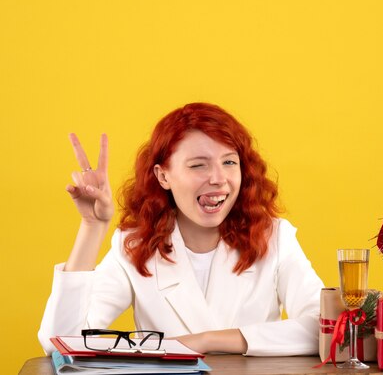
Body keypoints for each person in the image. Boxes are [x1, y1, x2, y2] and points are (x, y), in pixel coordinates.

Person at [38, 102, 325, 356]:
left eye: (229, 162)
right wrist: (93, 227)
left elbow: (325, 328)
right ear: (163, 176)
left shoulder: (275, 237)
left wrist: (208, 341)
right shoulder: (135, 245)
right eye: (198, 165)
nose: (218, 178)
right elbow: (60, 342)